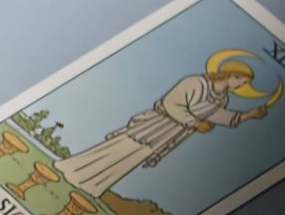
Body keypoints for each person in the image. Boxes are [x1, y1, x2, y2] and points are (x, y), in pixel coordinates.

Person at [53, 61, 270, 198]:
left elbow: (218, 116)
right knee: (122, 147)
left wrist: (250, 114)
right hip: (158, 124)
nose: (241, 84)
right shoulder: (195, 82)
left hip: (172, 133)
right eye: (240, 79)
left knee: (133, 158)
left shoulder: (222, 98)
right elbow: (172, 104)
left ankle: (93, 185)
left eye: (243, 82)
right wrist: (196, 123)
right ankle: (74, 169)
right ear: (229, 74)